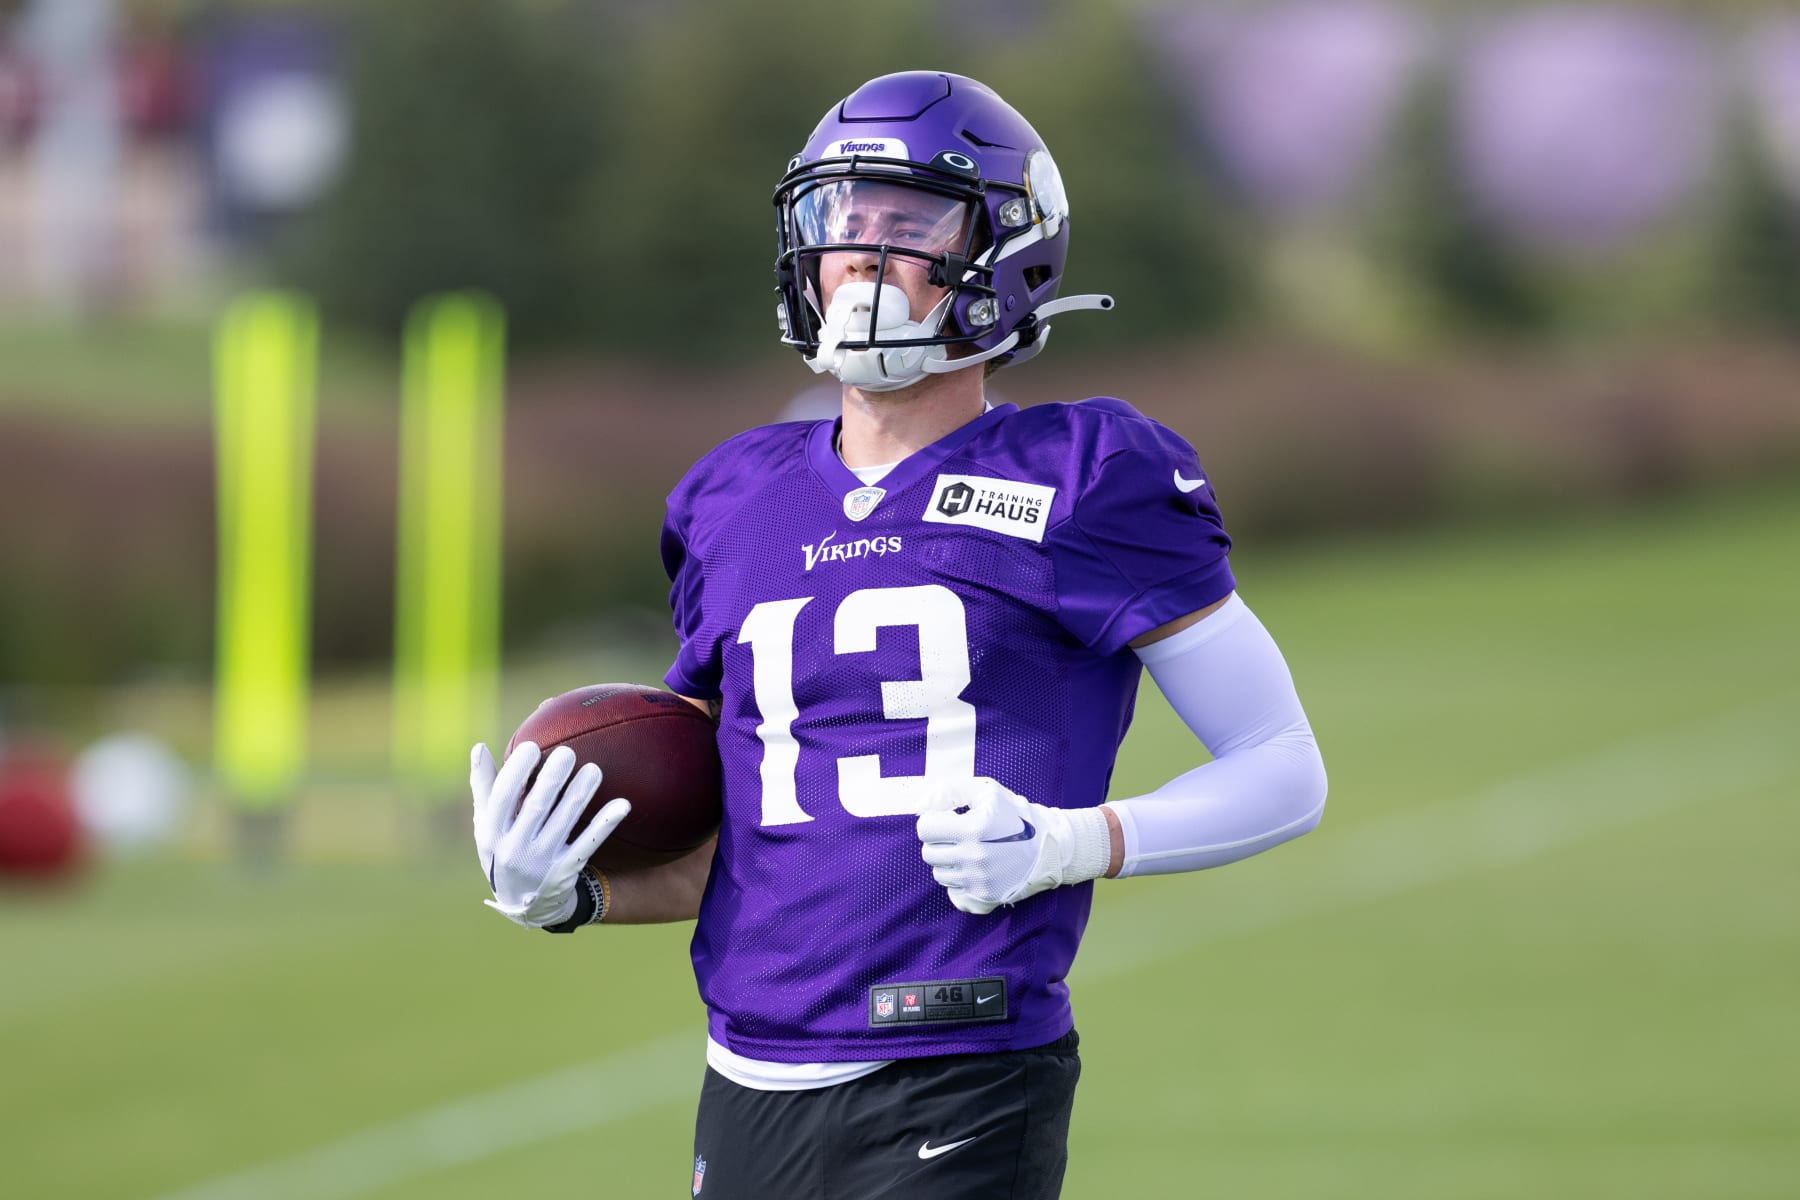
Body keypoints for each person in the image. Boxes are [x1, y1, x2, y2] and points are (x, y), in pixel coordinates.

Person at [471, 71, 1327, 1199]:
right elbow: (758, 848)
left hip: (961, 1070)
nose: (863, 259)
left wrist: (1073, 843)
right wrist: (575, 892)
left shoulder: (1084, 476)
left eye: (910, 226)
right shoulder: (733, 499)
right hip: (747, 1082)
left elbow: (1284, 770)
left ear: (1002, 257)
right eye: (843, 223)